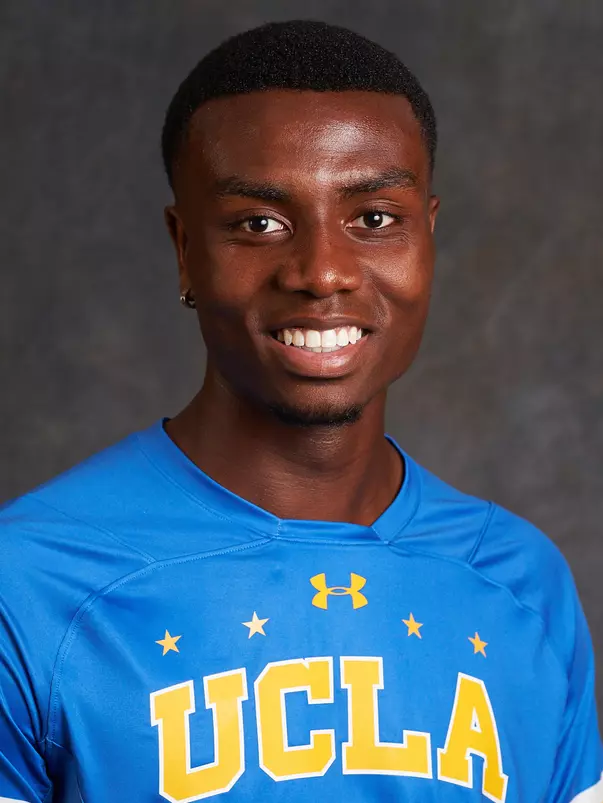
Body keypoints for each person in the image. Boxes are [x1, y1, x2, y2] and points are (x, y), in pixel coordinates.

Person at [0, 18, 600, 803]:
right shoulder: (31, 583)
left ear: (427, 234)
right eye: (259, 223)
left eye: (375, 219)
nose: (322, 272)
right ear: (185, 249)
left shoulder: (519, 582)